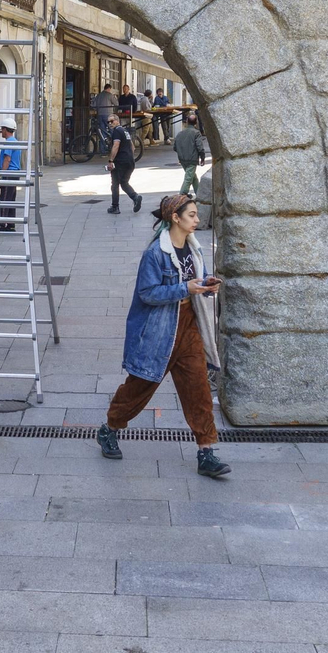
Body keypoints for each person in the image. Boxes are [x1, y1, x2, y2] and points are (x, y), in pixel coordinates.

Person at [98, 193, 230, 478]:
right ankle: (110, 428)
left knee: (199, 391)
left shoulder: (194, 250)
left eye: (196, 215)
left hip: (188, 327)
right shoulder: (155, 254)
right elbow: (147, 293)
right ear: (175, 218)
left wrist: (207, 285)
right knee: (139, 388)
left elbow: (198, 278)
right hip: (159, 331)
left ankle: (206, 451)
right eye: (191, 215)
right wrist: (186, 289)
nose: (196, 220)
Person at [104, 112, 141, 215]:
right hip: (130, 161)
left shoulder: (116, 131)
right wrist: (128, 156)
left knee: (115, 184)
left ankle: (115, 207)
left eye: (112, 121)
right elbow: (132, 147)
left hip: (120, 162)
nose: (110, 123)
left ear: (117, 121)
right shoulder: (125, 131)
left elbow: (116, 146)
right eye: (108, 122)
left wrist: (111, 160)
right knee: (124, 182)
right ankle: (136, 197)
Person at [0, 117, 21, 235]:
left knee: (4, 199)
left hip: (9, 174)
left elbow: (7, 159)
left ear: (5, 129)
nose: (1, 132)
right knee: (11, 200)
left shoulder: (8, 142)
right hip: (15, 174)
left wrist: (2, 174)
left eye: (1, 130)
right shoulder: (16, 141)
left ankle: (2, 224)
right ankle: (11, 224)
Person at [173, 110, 207, 197]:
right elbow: (200, 147)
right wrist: (202, 157)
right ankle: (182, 195)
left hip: (182, 159)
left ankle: (199, 194)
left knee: (192, 176)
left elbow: (175, 147)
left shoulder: (180, 134)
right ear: (196, 123)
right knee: (189, 178)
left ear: (187, 122)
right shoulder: (196, 133)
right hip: (192, 159)